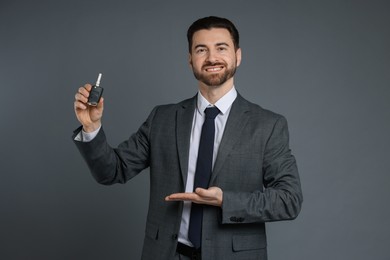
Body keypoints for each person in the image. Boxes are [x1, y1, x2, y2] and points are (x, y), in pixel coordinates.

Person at [73, 16, 303, 260]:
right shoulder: (162, 118)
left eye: (221, 48)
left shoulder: (268, 125)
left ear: (238, 55)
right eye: (201, 49)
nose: (212, 58)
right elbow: (112, 171)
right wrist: (91, 127)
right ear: (190, 59)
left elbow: (289, 200)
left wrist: (225, 200)